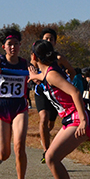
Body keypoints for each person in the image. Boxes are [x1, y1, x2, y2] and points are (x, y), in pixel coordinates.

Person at [29, 39, 90, 179]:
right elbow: (43, 77)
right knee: (51, 157)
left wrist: (82, 120)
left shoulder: (51, 74)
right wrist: (34, 76)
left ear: (34, 56)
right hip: (69, 119)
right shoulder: (48, 73)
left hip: (78, 118)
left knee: (51, 157)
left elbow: (75, 92)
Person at [0, 27, 29, 179]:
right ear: (4, 46)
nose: (13, 47)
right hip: (1, 107)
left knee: (19, 145)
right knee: (5, 153)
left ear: (20, 45)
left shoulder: (25, 63)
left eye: (16, 44)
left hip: (20, 107)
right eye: (9, 44)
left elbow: (36, 74)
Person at [35, 27, 76, 163]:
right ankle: (46, 151)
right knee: (43, 118)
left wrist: (66, 80)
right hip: (42, 91)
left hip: (56, 93)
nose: (48, 41)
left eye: (51, 39)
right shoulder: (36, 57)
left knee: (51, 123)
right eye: (46, 38)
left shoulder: (59, 58)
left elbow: (71, 71)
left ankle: (48, 139)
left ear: (55, 43)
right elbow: (32, 73)